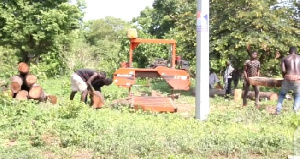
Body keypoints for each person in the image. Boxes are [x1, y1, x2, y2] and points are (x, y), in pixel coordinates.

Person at [275, 47, 300, 115]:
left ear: (289, 51)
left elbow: (283, 70)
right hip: (298, 79)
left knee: (282, 95)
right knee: (297, 95)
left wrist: (284, 77)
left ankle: (278, 110)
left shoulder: (285, 58)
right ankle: (295, 111)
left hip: (287, 78)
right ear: (296, 51)